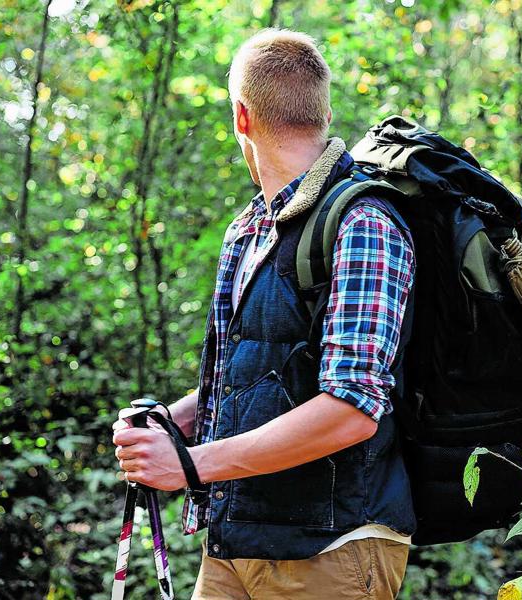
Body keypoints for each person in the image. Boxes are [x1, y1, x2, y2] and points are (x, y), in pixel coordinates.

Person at [111, 29, 416, 600]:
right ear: (322, 111)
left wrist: (192, 466)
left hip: (333, 549)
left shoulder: (363, 221)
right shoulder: (249, 229)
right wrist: (174, 423)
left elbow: (352, 410)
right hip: (236, 540)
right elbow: (263, 375)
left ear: (241, 117)